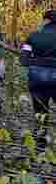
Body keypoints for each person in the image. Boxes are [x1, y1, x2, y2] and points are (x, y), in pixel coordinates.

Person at [20, 9, 56, 146]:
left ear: (46, 20)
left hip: (37, 78)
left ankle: (40, 144)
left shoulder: (33, 36)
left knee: (40, 111)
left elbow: (24, 59)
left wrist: (36, 62)